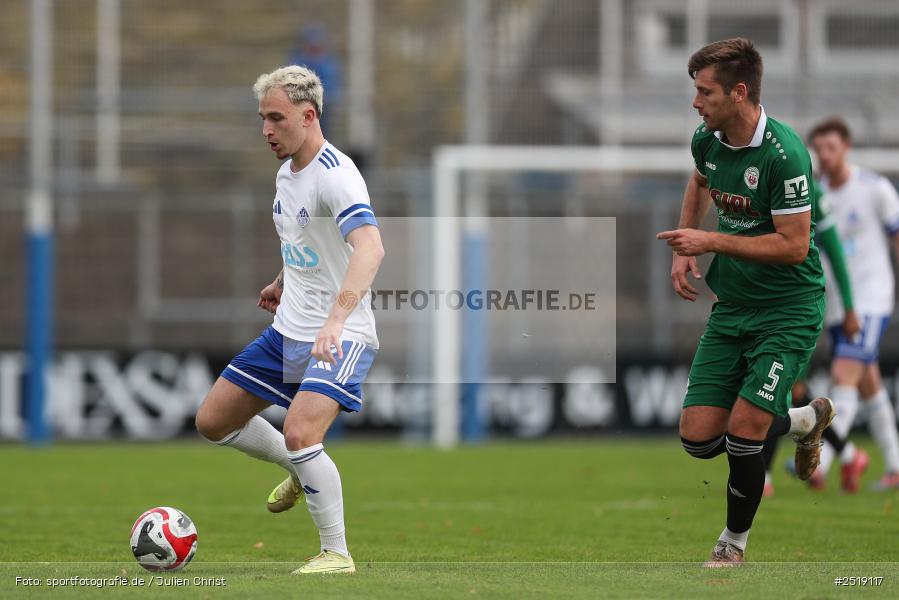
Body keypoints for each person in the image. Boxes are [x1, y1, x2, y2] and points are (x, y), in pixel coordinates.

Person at [194, 65, 384, 575]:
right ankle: (301, 473)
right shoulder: (286, 173)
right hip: (288, 332)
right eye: (262, 119)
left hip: (340, 337)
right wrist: (283, 278)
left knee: (302, 433)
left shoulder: (336, 175)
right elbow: (304, 239)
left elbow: (370, 247)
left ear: (309, 115)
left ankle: (336, 554)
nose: (266, 130)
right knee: (213, 421)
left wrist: (336, 321)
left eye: (276, 118)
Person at [657, 38, 835, 568]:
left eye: (704, 92)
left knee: (745, 430)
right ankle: (804, 421)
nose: (696, 102)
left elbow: (794, 245)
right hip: (733, 309)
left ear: (739, 92)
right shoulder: (707, 140)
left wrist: (709, 242)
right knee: (696, 437)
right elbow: (700, 181)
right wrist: (686, 245)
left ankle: (732, 543)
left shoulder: (785, 154)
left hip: (788, 310)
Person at [803, 117, 899, 491]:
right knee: (868, 383)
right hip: (837, 301)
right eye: (819, 149)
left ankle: (822, 462)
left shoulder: (875, 189)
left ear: (847, 148)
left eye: (831, 148)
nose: (824, 156)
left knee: (844, 375)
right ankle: (894, 466)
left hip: (872, 298)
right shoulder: (815, 194)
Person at [760, 184, 860, 496]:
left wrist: (849, 307)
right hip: (764, 302)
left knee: (779, 388)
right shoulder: (756, 189)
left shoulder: (809, 192)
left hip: (800, 308)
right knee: (794, 390)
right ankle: (850, 455)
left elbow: (836, 253)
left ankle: (762, 476)